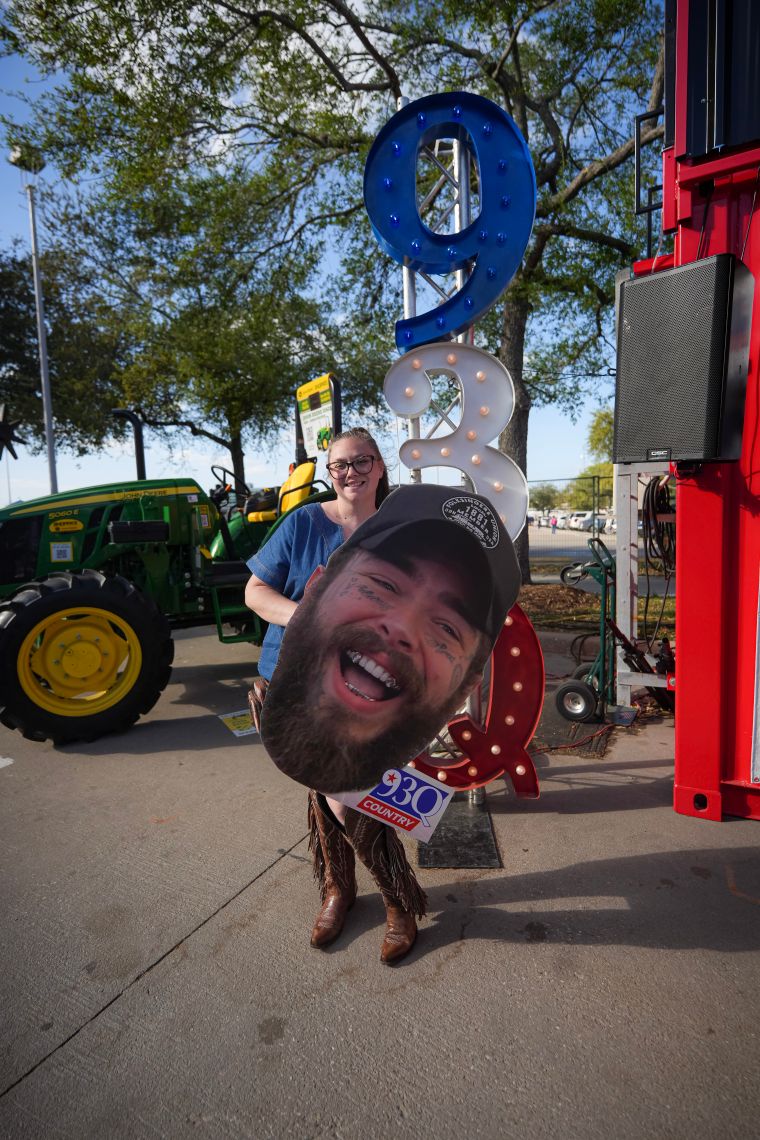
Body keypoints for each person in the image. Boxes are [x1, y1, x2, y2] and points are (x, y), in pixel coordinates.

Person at [244, 427, 426, 963]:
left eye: (361, 461)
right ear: (330, 472)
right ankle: (350, 890)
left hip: (367, 685)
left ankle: (383, 895)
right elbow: (255, 591)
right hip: (293, 679)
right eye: (340, 465)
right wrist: (308, 616)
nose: (351, 473)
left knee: (345, 789)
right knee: (326, 784)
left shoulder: (401, 533)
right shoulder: (304, 522)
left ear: (380, 466)